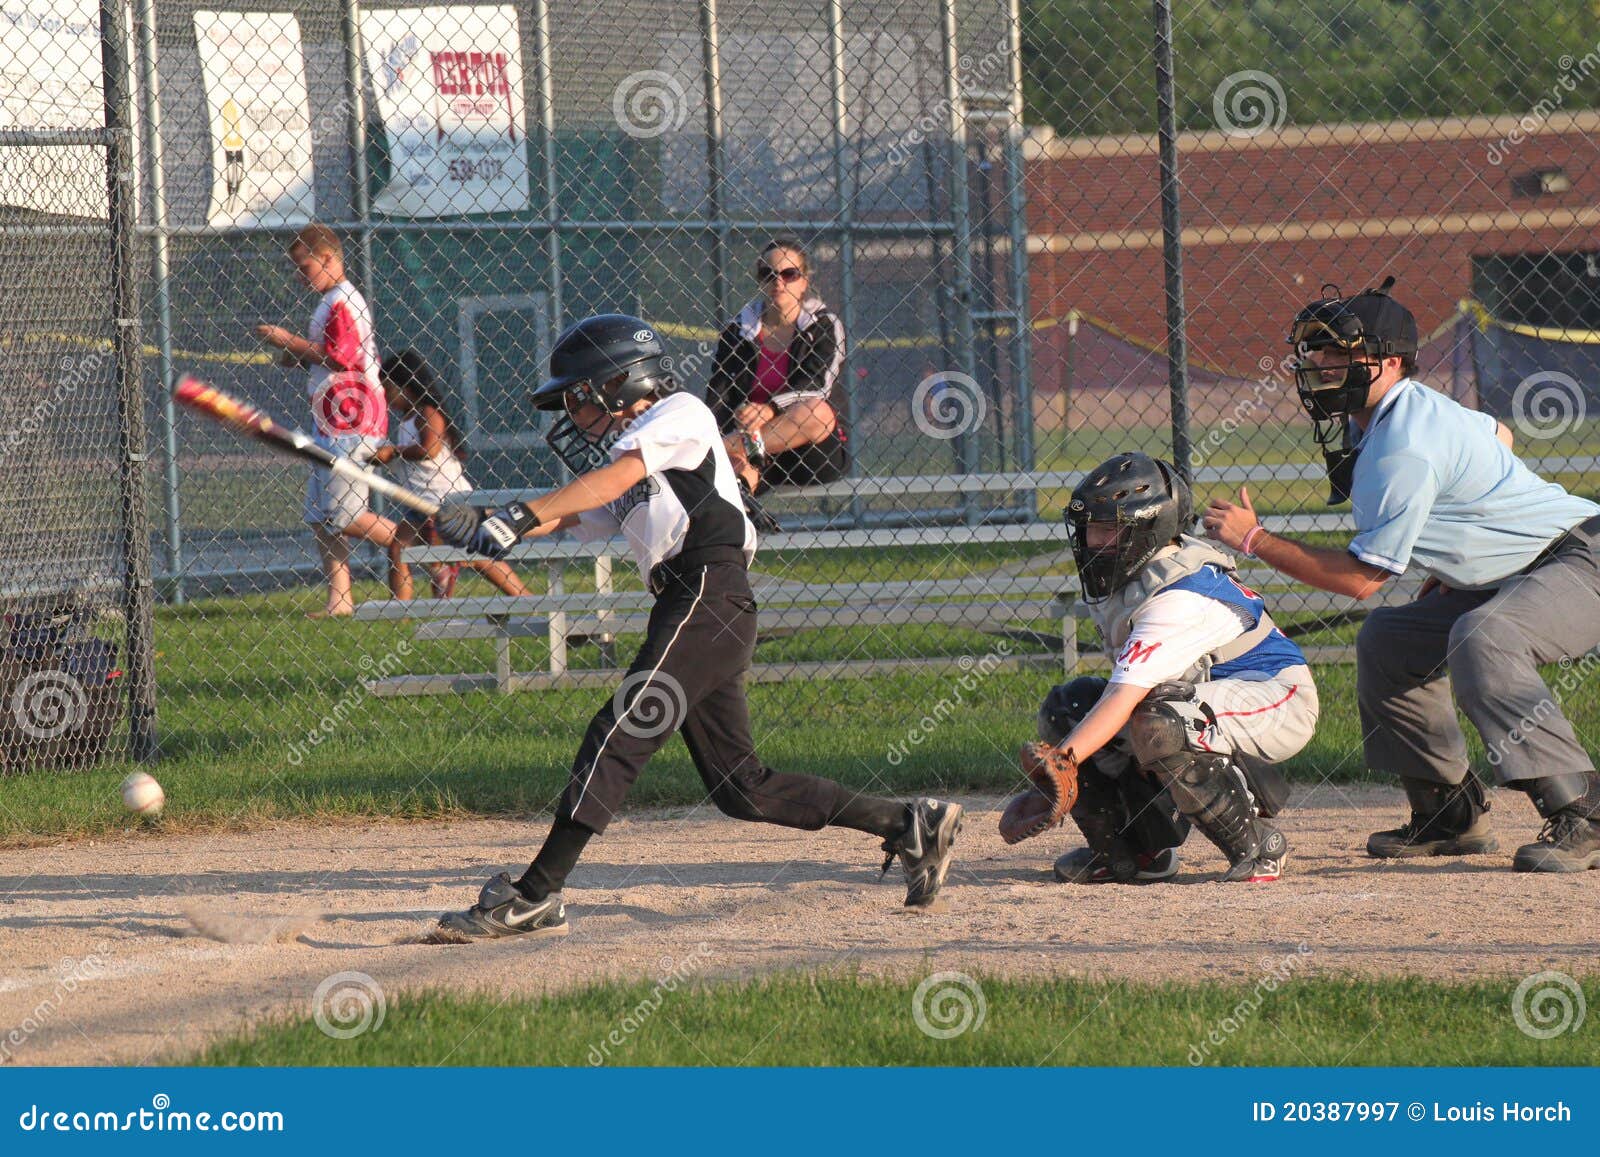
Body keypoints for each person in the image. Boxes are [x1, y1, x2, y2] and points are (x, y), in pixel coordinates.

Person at [426, 314, 962, 940]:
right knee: (743, 788)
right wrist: (488, 522)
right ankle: (908, 824)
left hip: (709, 591)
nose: (573, 413)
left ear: (624, 383)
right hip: (693, 606)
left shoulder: (678, 413)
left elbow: (613, 478)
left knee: (623, 726)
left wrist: (520, 513)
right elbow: (573, 516)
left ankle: (536, 893)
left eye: (580, 396)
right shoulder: (630, 456)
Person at [1203, 278, 1600, 873]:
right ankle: (1449, 812)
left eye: (1340, 353)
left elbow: (1362, 580)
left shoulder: (1402, 443)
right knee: (1389, 643)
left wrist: (1253, 540)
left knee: (1484, 639)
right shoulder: (1407, 409)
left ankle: (1584, 812)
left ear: (1389, 363)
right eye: (1316, 352)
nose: (1321, 364)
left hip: (1579, 559)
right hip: (1521, 569)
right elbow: (1499, 436)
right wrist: (1463, 560)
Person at [1008, 452, 1318, 884]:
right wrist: (1072, 755)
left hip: (1272, 697)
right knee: (1070, 709)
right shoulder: (1131, 576)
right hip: (1197, 698)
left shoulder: (1179, 595)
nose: (1092, 540)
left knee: (1161, 722)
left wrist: (1063, 763)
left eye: (1107, 530)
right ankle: (1134, 853)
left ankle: (1257, 845)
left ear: (1148, 532)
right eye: (1089, 528)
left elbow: (1125, 697)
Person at [254, 223, 398, 618]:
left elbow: (341, 357)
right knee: (321, 516)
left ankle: (417, 541)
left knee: (344, 515)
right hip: (330, 422)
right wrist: (298, 356)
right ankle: (341, 602)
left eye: (305, 268)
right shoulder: (330, 300)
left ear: (329, 259)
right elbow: (327, 353)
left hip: (352, 420)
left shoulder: (342, 302)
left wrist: (290, 342)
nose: (301, 276)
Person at [372, 351, 528, 599]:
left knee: (476, 556)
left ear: (407, 386)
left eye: (388, 389)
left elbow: (430, 450)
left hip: (448, 500)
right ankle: (399, 610)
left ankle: (522, 597)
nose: (385, 396)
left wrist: (394, 452)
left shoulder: (428, 413)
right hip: (420, 503)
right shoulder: (406, 421)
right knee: (398, 548)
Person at [707, 238, 849, 494]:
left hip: (809, 452)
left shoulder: (824, 326)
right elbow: (719, 396)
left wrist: (770, 409)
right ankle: (743, 510)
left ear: (804, 280)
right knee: (736, 466)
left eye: (789, 274)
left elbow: (818, 386)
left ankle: (713, 450)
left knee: (818, 413)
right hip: (752, 448)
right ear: (760, 280)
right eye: (768, 274)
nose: (778, 282)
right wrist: (738, 420)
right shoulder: (736, 331)